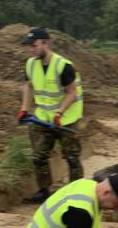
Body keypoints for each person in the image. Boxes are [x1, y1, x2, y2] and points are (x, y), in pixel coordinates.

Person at [18, 27, 84, 204]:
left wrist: (59, 112)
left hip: (66, 119)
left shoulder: (63, 66)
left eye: (34, 45)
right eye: (29, 46)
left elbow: (72, 93)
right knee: (38, 156)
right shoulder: (31, 64)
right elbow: (29, 86)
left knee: (72, 157)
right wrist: (24, 108)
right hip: (43, 117)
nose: (31, 49)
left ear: (46, 44)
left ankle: (77, 193)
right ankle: (44, 191)